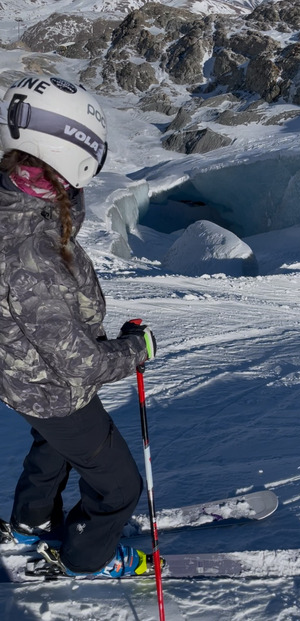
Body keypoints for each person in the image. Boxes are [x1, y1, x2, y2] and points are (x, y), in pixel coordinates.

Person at [0, 74, 156, 578]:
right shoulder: (30, 260)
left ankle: (31, 522)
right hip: (55, 387)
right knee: (119, 486)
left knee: (52, 446)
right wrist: (135, 349)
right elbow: (80, 363)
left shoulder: (15, 196)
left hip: (24, 379)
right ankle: (86, 556)